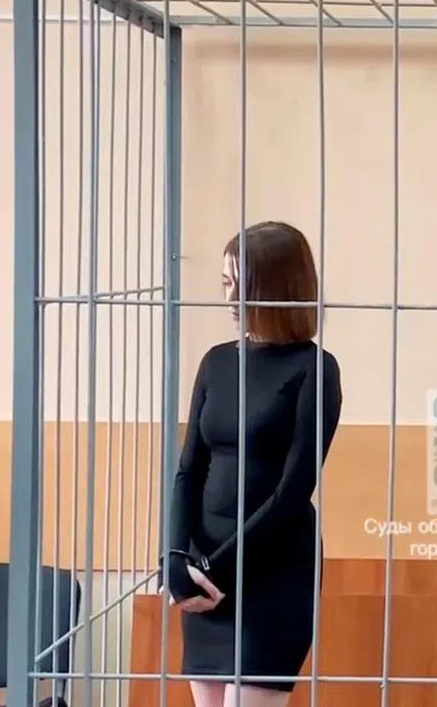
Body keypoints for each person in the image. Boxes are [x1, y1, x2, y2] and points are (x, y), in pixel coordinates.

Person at [164, 221, 343, 707]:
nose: (230, 298)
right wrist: (175, 558)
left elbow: (292, 492)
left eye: (241, 285)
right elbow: (188, 470)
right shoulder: (216, 362)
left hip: (271, 572)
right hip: (203, 572)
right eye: (226, 283)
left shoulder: (315, 368)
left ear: (277, 289)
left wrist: (215, 570)